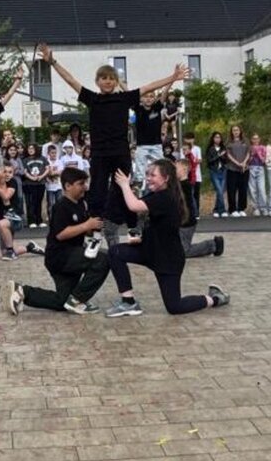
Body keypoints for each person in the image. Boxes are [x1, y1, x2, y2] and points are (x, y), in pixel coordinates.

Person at [37, 45, 188, 232]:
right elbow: (71, 80)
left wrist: (172, 78)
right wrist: (53, 62)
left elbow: (150, 86)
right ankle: (95, 229)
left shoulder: (124, 98)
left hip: (120, 152)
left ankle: (132, 227)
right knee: (97, 193)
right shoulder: (92, 99)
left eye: (111, 79)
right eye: (104, 79)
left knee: (122, 190)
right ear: (97, 81)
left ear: (116, 82)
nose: (108, 82)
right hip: (100, 153)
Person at [103, 161, 228, 317]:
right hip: (149, 251)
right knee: (115, 252)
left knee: (174, 306)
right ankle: (128, 302)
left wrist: (124, 185)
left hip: (168, 259)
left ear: (166, 178)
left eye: (153, 175)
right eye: (147, 174)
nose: (148, 178)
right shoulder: (157, 195)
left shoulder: (166, 198)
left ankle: (215, 298)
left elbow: (134, 205)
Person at [8, 166, 112, 315]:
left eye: (85, 183)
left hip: (71, 255)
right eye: (81, 183)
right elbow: (61, 234)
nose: (85, 187)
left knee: (63, 302)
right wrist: (86, 225)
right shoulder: (61, 206)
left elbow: (82, 229)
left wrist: (93, 227)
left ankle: (23, 292)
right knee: (104, 259)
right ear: (68, 186)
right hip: (60, 257)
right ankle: (78, 300)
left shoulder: (81, 204)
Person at [133, 94, 166, 190]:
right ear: (141, 99)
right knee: (140, 168)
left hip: (156, 144)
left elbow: (164, 93)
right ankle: (139, 186)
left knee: (162, 165)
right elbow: (128, 93)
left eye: (151, 97)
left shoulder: (157, 108)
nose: (148, 98)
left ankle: (163, 185)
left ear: (155, 99)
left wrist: (172, 80)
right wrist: (120, 82)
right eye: (146, 96)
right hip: (142, 145)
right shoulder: (138, 109)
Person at [223, 125, 249, 217]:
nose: (236, 132)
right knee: (232, 189)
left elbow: (248, 153)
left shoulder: (245, 141)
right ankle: (232, 209)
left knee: (243, 189)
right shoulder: (228, 142)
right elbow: (228, 155)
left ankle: (241, 208)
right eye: (234, 130)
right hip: (232, 169)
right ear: (231, 132)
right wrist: (238, 163)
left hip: (244, 169)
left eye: (237, 130)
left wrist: (244, 163)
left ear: (240, 131)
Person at [21, 143, 47, 227]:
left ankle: (39, 220)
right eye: (29, 149)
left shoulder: (42, 158)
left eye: (32, 148)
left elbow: (48, 168)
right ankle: (32, 221)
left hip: (41, 183)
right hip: (30, 184)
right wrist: (32, 178)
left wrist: (41, 176)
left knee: (39, 202)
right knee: (31, 202)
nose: (30, 150)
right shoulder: (25, 160)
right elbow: (24, 172)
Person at [181, 132, 202, 222]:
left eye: (190, 138)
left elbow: (195, 162)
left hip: (193, 177)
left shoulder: (195, 151)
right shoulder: (185, 153)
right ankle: (191, 213)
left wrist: (194, 161)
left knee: (193, 196)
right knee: (189, 196)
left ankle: (195, 213)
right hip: (187, 178)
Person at [247, 133, 268, 215]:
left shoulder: (263, 148)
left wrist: (258, 153)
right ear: (251, 140)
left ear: (259, 139)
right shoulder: (249, 148)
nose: (255, 140)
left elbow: (264, 161)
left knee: (261, 188)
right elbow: (247, 160)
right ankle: (255, 208)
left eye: (257, 139)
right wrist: (252, 155)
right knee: (253, 189)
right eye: (254, 139)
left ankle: (263, 207)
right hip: (251, 167)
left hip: (260, 168)